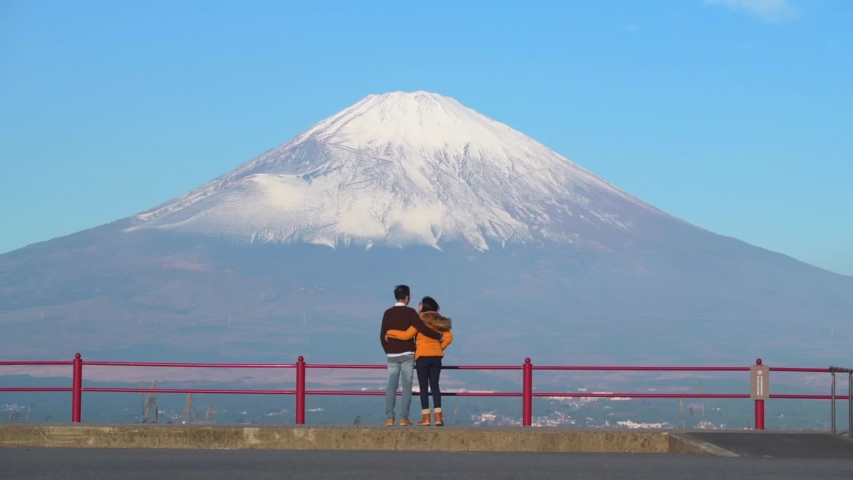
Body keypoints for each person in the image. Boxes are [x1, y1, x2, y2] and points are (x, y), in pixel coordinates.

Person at [379, 285, 442, 426]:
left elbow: (382, 336)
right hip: (408, 353)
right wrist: (437, 336)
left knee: (391, 385)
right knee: (407, 386)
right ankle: (404, 418)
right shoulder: (411, 312)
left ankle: (390, 417)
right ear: (407, 297)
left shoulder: (387, 313)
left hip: (392, 355)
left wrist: (389, 350)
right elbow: (422, 328)